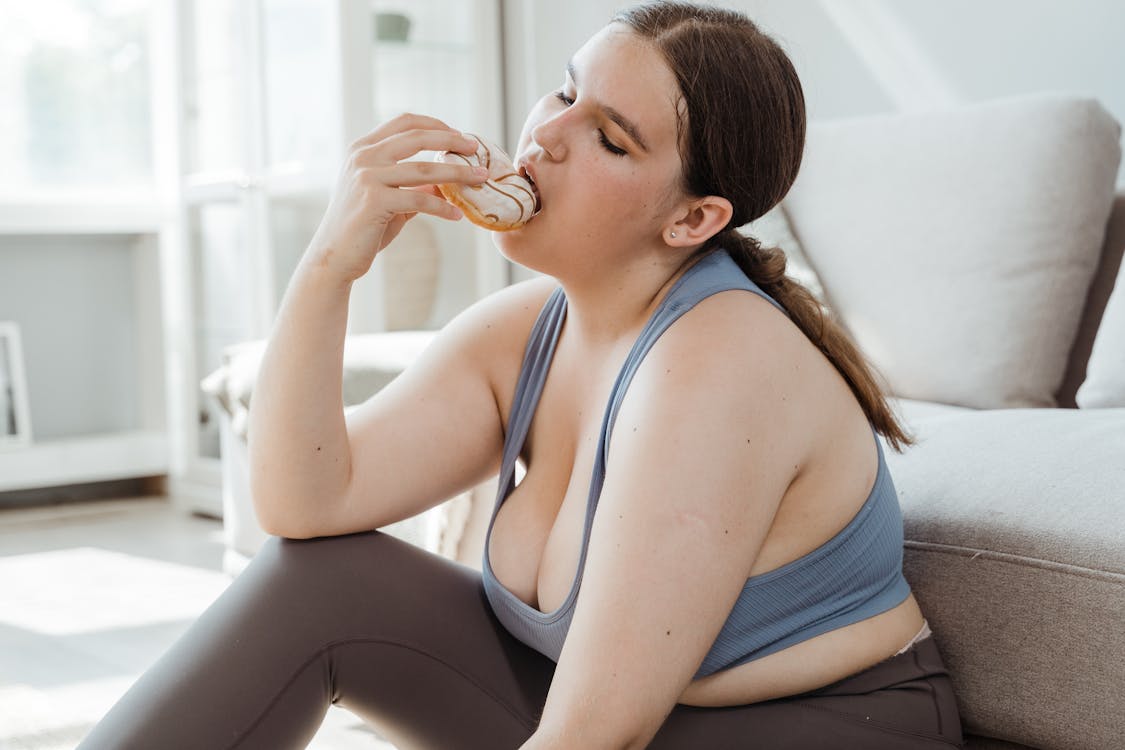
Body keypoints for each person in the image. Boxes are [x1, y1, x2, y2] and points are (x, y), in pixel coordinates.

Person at [78, 2, 965, 748]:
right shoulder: (529, 329)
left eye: (608, 139)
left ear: (693, 218)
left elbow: (591, 735)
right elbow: (304, 504)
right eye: (567, 90)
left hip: (816, 731)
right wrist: (328, 266)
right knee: (320, 583)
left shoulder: (719, 363)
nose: (546, 134)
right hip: (611, 724)